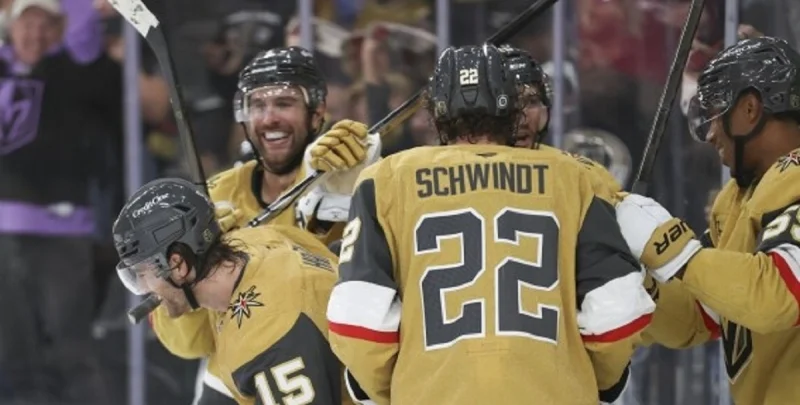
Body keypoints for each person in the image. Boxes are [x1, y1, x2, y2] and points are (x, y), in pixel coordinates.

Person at [326, 43, 655, 404]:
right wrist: (599, 382)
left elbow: (360, 322)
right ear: (512, 108)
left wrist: (391, 391)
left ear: (436, 112)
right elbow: (616, 313)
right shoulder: (574, 177)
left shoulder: (386, 179)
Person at [148, 46, 380, 405]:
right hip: (242, 380)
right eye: (257, 105)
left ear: (317, 112)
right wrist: (193, 272)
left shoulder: (346, 173)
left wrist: (356, 197)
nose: (269, 118)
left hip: (338, 375)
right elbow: (189, 345)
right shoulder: (215, 197)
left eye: (284, 103)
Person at [615, 36, 800, 405]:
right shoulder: (739, 200)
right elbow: (698, 315)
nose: (711, 134)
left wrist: (670, 247)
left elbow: (780, 294)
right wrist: (637, 283)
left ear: (750, 108)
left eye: (715, 114)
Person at [113, 177, 353, 405]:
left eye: (142, 275)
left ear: (178, 265)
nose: (146, 290)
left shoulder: (267, 336)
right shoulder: (259, 238)